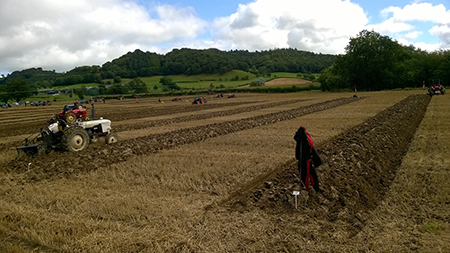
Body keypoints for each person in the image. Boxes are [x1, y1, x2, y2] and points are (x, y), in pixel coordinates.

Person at [294, 126, 323, 192]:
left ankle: (313, 189)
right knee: (307, 175)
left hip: (307, 160)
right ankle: (308, 188)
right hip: (305, 159)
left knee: (309, 175)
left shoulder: (304, 140)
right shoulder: (304, 139)